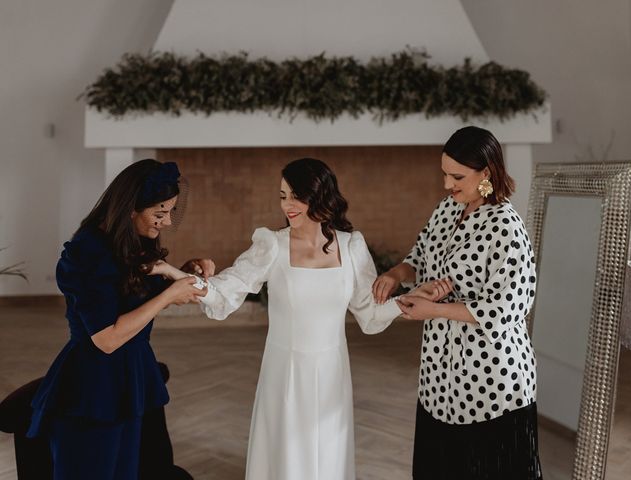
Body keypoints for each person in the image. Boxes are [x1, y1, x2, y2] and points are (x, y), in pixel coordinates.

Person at [156, 158, 430, 480]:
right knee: (287, 454)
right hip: (284, 371)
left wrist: (407, 302)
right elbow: (228, 290)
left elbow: (369, 313)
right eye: (282, 196)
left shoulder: (352, 245)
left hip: (332, 370)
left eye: (295, 196)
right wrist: (178, 276)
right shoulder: (272, 244)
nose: (288, 205)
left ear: (319, 196)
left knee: (328, 447)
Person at [373, 126, 543, 480]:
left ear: (486, 173)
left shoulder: (506, 227)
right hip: (439, 380)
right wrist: (395, 272)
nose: (447, 184)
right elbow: (419, 255)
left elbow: (507, 309)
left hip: (491, 383)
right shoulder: (448, 210)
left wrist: (434, 309)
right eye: (444, 174)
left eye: (456, 176)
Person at [27, 159, 212, 480]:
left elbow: (138, 298)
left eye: (170, 211)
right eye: (159, 213)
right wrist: (169, 295)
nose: (167, 222)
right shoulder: (87, 253)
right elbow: (107, 339)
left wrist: (183, 270)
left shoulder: (131, 241)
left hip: (135, 374)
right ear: (129, 209)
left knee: (147, 468)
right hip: (95, 385)